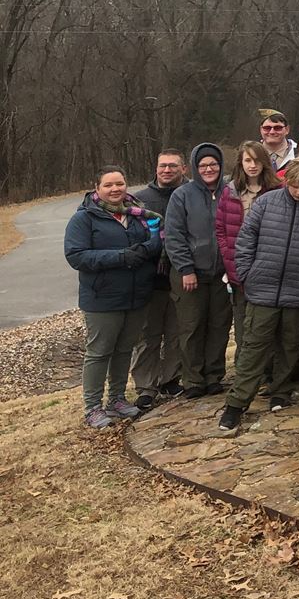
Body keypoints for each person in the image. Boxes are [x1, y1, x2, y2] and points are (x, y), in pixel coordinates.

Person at [218, 157, 299, 433]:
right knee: (254, 347)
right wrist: (248, 275)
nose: (298, 192)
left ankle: (281, 390)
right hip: (262, 289)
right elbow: (246, 241)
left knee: (290, 344)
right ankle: (236, 404)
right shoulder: (266, 203)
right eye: (295, 186)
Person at [65, 165, 163, 427]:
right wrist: (119, 256)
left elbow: (156, 240)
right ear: (97, 188)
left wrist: (145, 248)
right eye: (108, 185)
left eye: (119, 183)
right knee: (99, 352)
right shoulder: (85, 218)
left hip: (136, 295)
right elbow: (76, 255)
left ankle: (117, 399)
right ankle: (93, 407)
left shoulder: (138, 214)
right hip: (102, 297)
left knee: (124, 349)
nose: (115, 189)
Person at [163, 143, 234, 398]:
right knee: (191, 327)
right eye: (202, 165)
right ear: (194, 167)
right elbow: (174, 236)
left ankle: (214, 375)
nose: (208, 169)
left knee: (219, 326)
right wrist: (185, 268)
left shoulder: (230, 192)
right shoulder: (182, 195)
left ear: (221, 165)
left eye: (213, 164)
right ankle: (193, 379)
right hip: (189, 274)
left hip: (221, 274)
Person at [130, 149, 186, 409]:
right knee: (147, 337)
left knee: (177, 333)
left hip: (182, 276)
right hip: (149, 279)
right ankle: (145, 387)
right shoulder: (139, 200)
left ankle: (171, 378)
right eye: (162, 166)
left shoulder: (190, 194)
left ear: (183, 169)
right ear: (156, 168)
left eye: (173, 166)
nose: (167, 170)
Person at [215, 141, 282, 355]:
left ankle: (268, 371)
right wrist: (229, 259)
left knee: (267, 324)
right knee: (242, 322)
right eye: (247, 160)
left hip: (268, 268)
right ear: (240, 163)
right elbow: (221, 230)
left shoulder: (277, 190)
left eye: (256, 160)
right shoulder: (230, 191)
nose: (252, 165)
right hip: (237, 268)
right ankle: (243, 370)